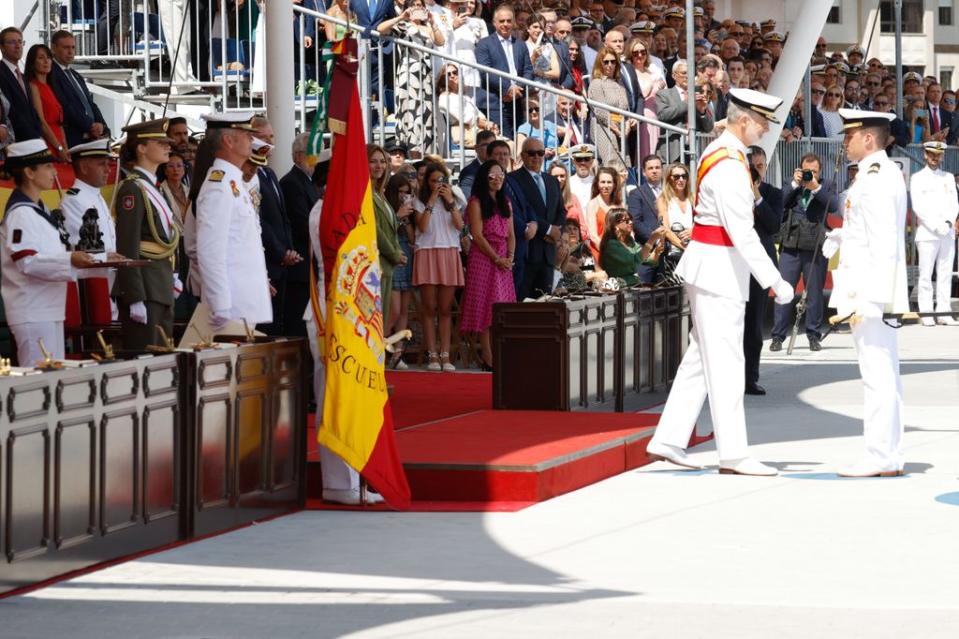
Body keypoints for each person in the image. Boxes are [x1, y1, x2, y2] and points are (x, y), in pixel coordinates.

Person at [646, 88, 794, 477]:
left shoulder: (724, 153)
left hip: (714, 267)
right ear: (744, 119)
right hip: (719, 269)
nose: (764, 130)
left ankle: (669, 437)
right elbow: (742, 231)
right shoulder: (729, 162)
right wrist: (775, 280)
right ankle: (733, 452)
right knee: (727, 361)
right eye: (762, 122)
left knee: (701, 358)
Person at [825, 109, 909, 477]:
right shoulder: (876, 174)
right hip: (872, 289)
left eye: (850, 136)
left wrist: (872, 299)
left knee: (877, 373)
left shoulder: (876, 177)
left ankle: (879, 455)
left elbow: (883, 242)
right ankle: (887, 452)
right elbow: (868, 233)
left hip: (871, 294)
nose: (846, 142)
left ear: (868, 139)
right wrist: (841, 237)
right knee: (883, 372)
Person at [0, 140, 105, 365]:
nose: (54, 172)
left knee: (51, 382)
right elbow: (27, 261)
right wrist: (72, 259)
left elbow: (58, 258)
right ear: (29, 172)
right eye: (47, 166)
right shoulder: (21, 214)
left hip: (47, 309)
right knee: (37, 384)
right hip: (32, 311)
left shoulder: (39, 210)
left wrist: (100, 260)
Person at [189, 112, 273, 334]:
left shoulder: (232, 180)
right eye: (246, 134)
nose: (251, 140)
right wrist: (220, 303)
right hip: (230, 305)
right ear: (228, 141)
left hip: (244, 299)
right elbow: (209, 250)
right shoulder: (219, 184)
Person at [112, 119, 182, 351]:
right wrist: (134, 297)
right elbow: (127, 245)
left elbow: (166, 239)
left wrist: (173, 274)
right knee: (145, 361)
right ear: (141, 148)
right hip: (144, 288)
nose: (167, 146)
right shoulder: (133, 188)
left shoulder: (154, 186)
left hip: (160, 284)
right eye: (160, 142)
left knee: (162, 362)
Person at [769, 152, 838, 352]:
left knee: (814, 293)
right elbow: (779, 202)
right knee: (784, 292)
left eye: (814, 172)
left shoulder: (825, 186)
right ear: (800, 170)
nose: (810, 175)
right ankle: (777, 336)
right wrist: (794, 184)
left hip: (814, 246)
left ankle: (813, 335)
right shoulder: (792, 183)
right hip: (791, 244)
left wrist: (815, 187)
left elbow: (833, 206)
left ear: (820, 172)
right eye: (807, 172)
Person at [459, 160, 516, 371]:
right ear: (484, 178)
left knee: (502, 305)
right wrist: (496, 258)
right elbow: (477, 235)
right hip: (484, 257)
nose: (497, 179)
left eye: (501, 174)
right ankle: (487, 355)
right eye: (492, 175)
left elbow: (511, 234)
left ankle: (501, 351)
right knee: (486, 305)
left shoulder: (505, 202)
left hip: (502, 258)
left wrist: (510, 256)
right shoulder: (476, 202)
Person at [413, 163, 465, 371]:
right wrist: (432, 200)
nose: (438, 185)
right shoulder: (418, 200)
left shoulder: (456, 198)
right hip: (427, 251)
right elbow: (423, 226)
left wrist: (450, 201)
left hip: (449, 251)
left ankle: (445, 354)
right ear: (427, 182)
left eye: (441, 180)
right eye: (434, 181)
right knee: (429, 307)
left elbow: (460, 226)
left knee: (444, 308)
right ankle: (432, 354)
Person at [61, 138, 118, 323]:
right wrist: (107, 258)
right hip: (90, 289)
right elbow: (81, 250)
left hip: (108, 284)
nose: (108, 169)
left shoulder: (95, 196)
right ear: (84, 167)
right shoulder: (74, 200)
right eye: (102, 164)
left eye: (108, 164)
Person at [743, 146, 783, 396]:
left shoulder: (773, 193)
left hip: (759, 266)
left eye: (761, 166)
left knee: (754, 324)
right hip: (736, 264)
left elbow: (773, 225)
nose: (757, 170)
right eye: (753, 167)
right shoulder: (734, 192)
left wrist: (757, 196)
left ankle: (750, 378)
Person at [909, 140, 959, 326]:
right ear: (925, 155)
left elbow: (954, 203)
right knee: (925, 274)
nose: (934, 158)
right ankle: (927, 312)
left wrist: (947, 222)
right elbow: (918, 207)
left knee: (945, 274)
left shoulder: (947, 177)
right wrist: (937, 225)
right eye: (931, 154)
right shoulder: (917, 178)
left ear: (942, 156)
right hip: (928, 233)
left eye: (938, 155)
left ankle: (944, 312)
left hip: (947, 232)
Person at [509, 137, 566, 298]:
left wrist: (557, 231)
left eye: (540, 153)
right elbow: (521, 211)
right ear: (523, 155)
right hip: (527, 253)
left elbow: (561, 211)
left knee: (544, 306)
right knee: (524, 307)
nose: (536, 157)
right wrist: (548, 230)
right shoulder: (513, 179)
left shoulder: (552, 181)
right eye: (531, 153)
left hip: (548, 254)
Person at [254, 137, 298, 335]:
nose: (270, 142)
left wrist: (289, 249)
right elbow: (259, 221)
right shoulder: (250, 177)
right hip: (267, 260)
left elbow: (283, 216)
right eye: (264, 138)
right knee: (264, 328)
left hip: (282, 262)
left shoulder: (269, 173)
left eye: (272, 137)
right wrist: (281, 252)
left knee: (277, 322)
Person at [279, 132, 320, 337]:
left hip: (310, 265)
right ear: (297, 156)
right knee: (298, 325)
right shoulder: (292, 183)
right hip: (300, 265)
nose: (316, 159)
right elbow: (303, 224)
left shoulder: (309, 182)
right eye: (311, 154)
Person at [390, 0, 444, 154]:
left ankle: (423, 156)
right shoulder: (403, 25)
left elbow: (441, 41)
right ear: (408, 7)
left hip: (425, 74)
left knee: (425, 115)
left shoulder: (427, 27)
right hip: (409, 73)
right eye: (414, 4)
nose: (418, 7)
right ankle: (409, 152)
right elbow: (380, 29)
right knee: (410, 113)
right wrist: (401, 17)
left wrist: (433, 22)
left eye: (420, 5)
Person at [474, 4, 535, 138]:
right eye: (502, 21)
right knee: (502, 142)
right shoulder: (484, 44)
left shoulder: (520, 44)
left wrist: (518, 89)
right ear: (495, 23)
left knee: (519, 141)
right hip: (495, 101)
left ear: (513, 23)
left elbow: (528, 70)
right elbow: (485, 73)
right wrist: (508, 88)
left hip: (517, 101)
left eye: (508, 21)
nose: (505, 24)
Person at [368, 144, 406, 328]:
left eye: (382, 161)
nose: (379, 166)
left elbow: (389, 227)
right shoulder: (364, 193)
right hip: (375, 266)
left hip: (387, 266)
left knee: (382, 320)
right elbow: (374, 229)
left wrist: (397, 251)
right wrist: (394, 254)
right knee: (375, 323)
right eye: (373, 161)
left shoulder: (378, 193)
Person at [48, 30, 108, 148]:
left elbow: (90, 104)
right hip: (73, 139)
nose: (70, 52)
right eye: (65, 47)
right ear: (54, 48)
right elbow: (65, 106)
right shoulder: (51, 74)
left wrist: (103, 126)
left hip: (92, 137)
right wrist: (90, 125)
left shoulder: (76, 75)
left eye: (73, 47)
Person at [385, 173, 417, 369]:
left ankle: (398, 353)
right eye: (400, 192)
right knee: (393, 310)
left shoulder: (408, 212)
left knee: (404, 309)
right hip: (392, 256)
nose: (404, 196)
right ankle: (379, 346)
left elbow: (413, 239)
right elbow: (386, 234)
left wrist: (406, 218)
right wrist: (398, 215)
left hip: (407, 254)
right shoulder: (387, 209)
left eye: (407, 193)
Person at [655, 59, 713, 162]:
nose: (687, 76)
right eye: (684, 73)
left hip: (695, 150)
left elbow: (708, 128)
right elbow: (662, 115)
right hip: (672, 149)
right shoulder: (664, 94)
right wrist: (687, 103)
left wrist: (702, 111)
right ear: (674, 76)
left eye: (690, 73)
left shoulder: (698, 94)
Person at [587, 46, 633, 167]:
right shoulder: (596, 83)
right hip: (604, 127)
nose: (609, 65)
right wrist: (617, 130)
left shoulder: (619, 85)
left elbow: (626, 110)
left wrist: (627, 126)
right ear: (599, 63)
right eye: (606, 61)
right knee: (611, 163)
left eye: (613, 61)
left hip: (620, 129)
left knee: (624, 166)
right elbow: (600, 111)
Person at [598, 208, 664, 286]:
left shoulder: (630, 241)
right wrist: (652, 239)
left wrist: (656, 252)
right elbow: (634, 261)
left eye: (630, 219)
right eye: (626, 221)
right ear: (615, 225)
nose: (631, 222)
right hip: (619, 289)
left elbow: (649, 261)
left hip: (634, 285)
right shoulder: (611, 245)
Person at [25, 44, 68, 160]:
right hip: (48, 144)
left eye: (48, 57)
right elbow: (41, 122)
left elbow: (60, 122)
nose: (46, 61)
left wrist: (65, 146)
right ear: (32, 63)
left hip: (60, 144)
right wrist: (59, 147)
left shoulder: (50, 87)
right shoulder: (33, 87)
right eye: (41, 58)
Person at [0, 27, 43, 141]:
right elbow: (10, 111)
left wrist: (38, 134)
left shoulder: (23, 77)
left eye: (20, 41)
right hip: (16, 141)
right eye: (12, 42)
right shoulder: (1, 73)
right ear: (2, 47)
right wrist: (32, 136)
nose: (18, 46)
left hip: (34, 138)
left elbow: (30, 109)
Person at [629, 37, 667, 160]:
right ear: (630, 55)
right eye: (635, 53)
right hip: (642, 117)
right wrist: (652, 84)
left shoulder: (651, 71)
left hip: (656, 115)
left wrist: (661, 87)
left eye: (643, 52)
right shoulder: (630, 72)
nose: (640, 55)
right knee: (644, 151)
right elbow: (641, 95)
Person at [656, 162, 694, 267]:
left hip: (694, 248)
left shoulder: (693, 198)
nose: (681, 180)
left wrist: (693, 231)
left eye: (684, 176)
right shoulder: (663, 200)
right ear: (669, 179)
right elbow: (665, 228)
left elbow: (703, 221)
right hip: (674, 251)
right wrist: (684, 247)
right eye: (676, 177)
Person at [584, 166, 622, 260]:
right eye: (603, 182)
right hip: (601, 253)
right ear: (597, 184)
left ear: (614, 185)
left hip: (620, 254)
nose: (606, 186)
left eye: (609, 182)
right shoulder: (592, 205)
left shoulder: (619, 205)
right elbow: (593, 235)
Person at [548, 160, 587, 242]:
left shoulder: (573, 197)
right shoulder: (546, 198)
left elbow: (582, 225)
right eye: (555, 176)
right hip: (555, 243)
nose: (559, 179)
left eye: (562, 176)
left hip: (575, 242)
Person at [457, 130, 497, 198]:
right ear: (476, 148)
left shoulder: (500, 169)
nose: (490, 149)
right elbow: (469, 200)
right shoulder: (469, 173)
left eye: (493, 145)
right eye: (486, 145)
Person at [568, 143, 596, 211]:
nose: (583, 163)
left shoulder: (597, 182)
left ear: (592, 161)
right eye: (579, 159)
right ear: (573, 161)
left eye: (586, 159)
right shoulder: (567, 183)